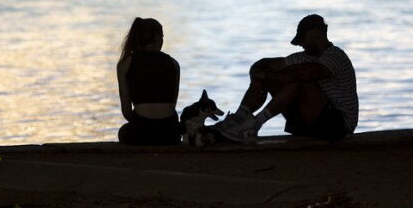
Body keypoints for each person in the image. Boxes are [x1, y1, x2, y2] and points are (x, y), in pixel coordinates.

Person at [213, 15, 358, 143]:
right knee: (270, 77)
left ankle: (254, 125)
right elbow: (262, 66)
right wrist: (260, 74)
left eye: (302, 39)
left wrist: (269, 74)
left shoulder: (336, 57)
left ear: (315, 33)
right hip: (309, 123)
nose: (300, 44)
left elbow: (308, 74)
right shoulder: (301, 57)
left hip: (338, 127)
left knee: (297, 81)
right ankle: (238, 118)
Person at [116, 17, 182, 145]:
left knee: (123, 132)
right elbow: (172, 105)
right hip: (170, 134)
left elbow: (126, 111)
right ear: (159, 39)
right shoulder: (174, 63)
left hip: (140, 133)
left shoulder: (125, 64)